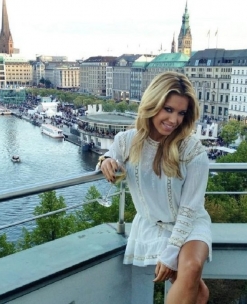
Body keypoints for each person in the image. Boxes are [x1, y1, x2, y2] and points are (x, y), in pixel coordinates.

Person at [99, 71, 211, 304]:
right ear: (153, 104)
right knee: (197, 294)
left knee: (190, 266)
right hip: (153, 223)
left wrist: (171, 253)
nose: (174, 120)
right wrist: (105, 160)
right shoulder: (127, 140)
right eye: (168, 109)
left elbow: (190, 208)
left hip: (188, 223)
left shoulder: (192, 150)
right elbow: (111, 155)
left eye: (181, 113)